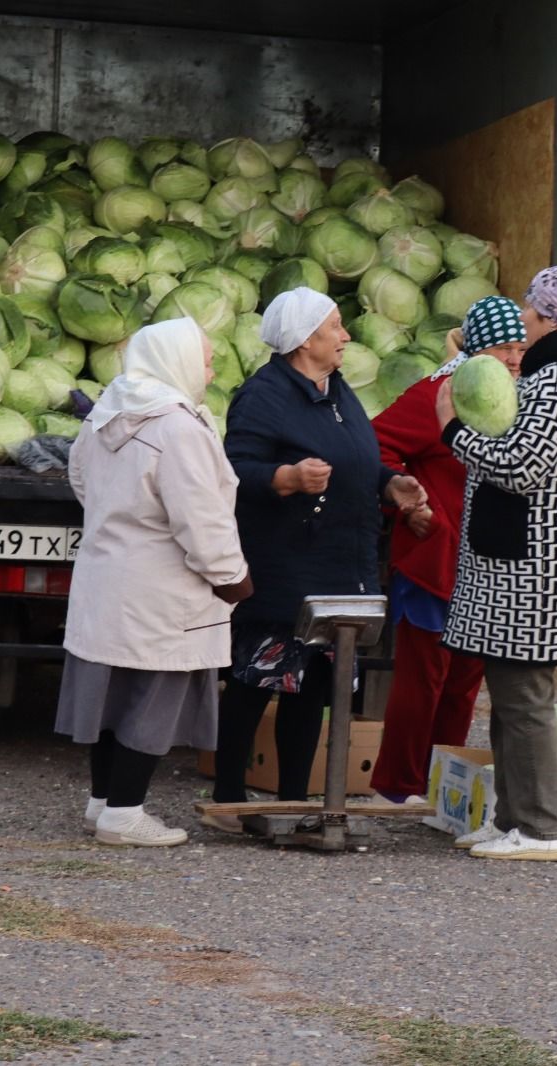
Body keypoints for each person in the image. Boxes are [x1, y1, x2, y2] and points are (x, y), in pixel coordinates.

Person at [208, 287, 428, 832]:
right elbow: (234, 470)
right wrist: (285, 478)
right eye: (336, 327)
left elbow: (357, 460)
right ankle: (231, 800)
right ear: (307, 339)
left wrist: (390, 484)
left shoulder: (337, 390)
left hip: (340, 565)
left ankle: (294, 802)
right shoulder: (263, 395)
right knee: (256, 682)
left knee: (314, 689)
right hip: (287, 567)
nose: (345, 336)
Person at [434, 266, 557, 861]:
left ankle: (539, 829)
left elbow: (519, 466)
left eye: (532, 315)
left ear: (554, 320)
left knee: (526, 694)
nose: (525, 323)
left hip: (540, 562)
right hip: (523, 558)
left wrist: (453, 432)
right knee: (510, 692)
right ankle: (510, 817)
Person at [56, 317, 253, 847]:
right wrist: (232, 577)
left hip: (107, 579)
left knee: (112, 698)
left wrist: (117, 520)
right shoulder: (178, 428)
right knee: (152, 700)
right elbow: (201, 517)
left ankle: (102, 805)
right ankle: (125, 814)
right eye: (206, 359)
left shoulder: (105, 415)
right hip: (164, 590)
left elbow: (79, 478)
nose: (211, 370)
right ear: (178, 363)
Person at [366, 297, 528, 803]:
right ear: (480, 347)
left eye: (521, 346)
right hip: (434, 560)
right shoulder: (439, 394)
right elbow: (374, 445)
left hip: (484, 566)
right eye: (505, 347)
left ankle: (446, 787)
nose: (515, 358)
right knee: (423, 681)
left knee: (463, 684)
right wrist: (409, 500)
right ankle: (397, 787)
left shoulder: (514, 398)